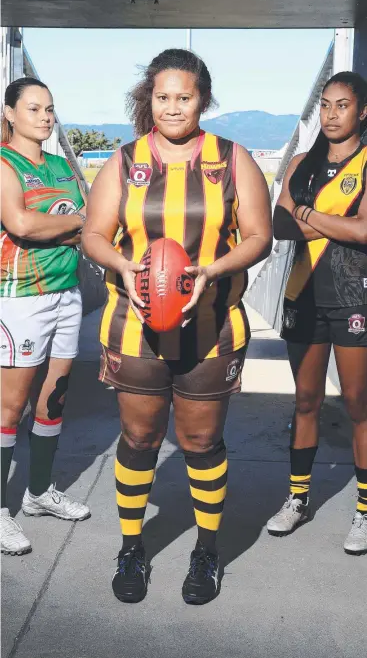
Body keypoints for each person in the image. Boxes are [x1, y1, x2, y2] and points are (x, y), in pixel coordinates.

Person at [82, 48, 272, 604]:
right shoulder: (124, 161)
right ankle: (132, 546)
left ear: (202, 100)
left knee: (201, 440)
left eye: (183, 97)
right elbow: (95, 233)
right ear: (150, 99)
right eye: (162, 97)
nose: (172, 107)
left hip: (210, 328)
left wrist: (210, 270)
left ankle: (206, 552)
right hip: (134, 326)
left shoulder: (233, 159)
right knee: (139, 437)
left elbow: (260, 236)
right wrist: (124, 267)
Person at [268, 72, 367, 554]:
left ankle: (365, 512)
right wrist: (329, 223)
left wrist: (307, 215)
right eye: (325, 104)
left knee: (357, 405)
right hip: (302, 295)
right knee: (305, 402)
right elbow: (277, 224)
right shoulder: (303, 165)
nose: (330, 113)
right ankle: (298, 498)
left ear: (361, 111)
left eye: (341, 105)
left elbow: (365, 232)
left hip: (354, 298)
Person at [1, 77, 91, 556]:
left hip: (66, 292)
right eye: (33, 108)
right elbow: (21, 224)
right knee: (8, 408)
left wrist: (68, 228)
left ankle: (37, 495)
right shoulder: (4, 163)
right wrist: (75, 223)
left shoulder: (59, 165)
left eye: (50, 109)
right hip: (21, 297)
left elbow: (87, 227)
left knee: (53, 399)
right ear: (11, 114)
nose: (44, 116)